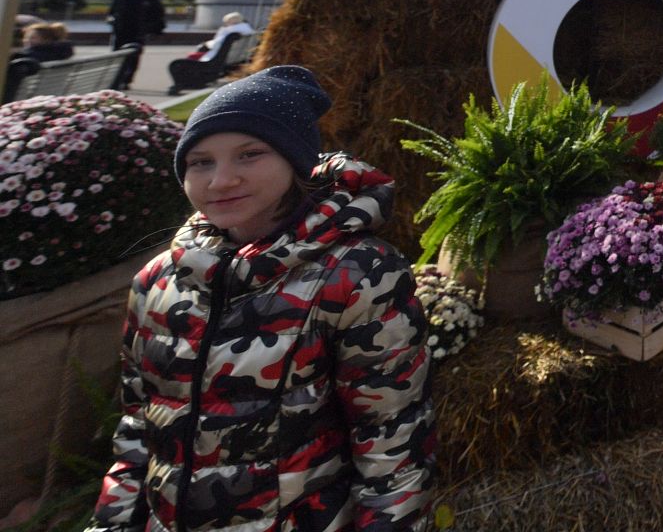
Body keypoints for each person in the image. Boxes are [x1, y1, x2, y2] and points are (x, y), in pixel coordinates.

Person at [88, 65, 433, 529]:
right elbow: (137, 430)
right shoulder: (158, 281)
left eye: (250, 155)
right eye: (200, 162)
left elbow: (392, 442)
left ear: (296, 162)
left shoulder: (356, 275)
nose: (220, 180)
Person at [168, 12, 255, 93]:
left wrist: (205, 45)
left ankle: (180, 84)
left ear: (231, 21)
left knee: (176, 64)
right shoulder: (246, 31)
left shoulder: (230, 31)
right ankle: (193, 81)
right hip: (232, 60)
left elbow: (215, 45)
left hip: (216, 61)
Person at [106, 0, 166, 91]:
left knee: (133, 58)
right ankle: (116, 80)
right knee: (117, 57)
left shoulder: (149, 0)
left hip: (138, 34)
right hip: (120, 33)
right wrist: (112, 22)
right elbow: (111, 14)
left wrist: (153, 30)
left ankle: (127, 80)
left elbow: (158, 17)